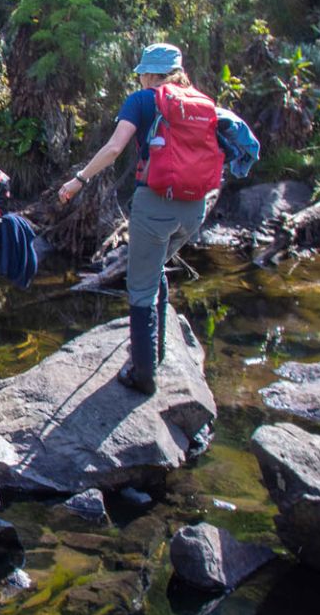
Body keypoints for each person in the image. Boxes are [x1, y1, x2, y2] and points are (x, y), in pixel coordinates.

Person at [56, 42, 212, 394]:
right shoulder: (202, 103)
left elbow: (114, 148)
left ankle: (143, 376)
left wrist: (79, 180)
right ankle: (154, 354)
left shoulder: (142, 100)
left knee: (140, 287)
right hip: (195, 208)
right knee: (153, 269)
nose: (140, 78)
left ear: (147, 73)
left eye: (141, 73)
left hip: (155, 203)